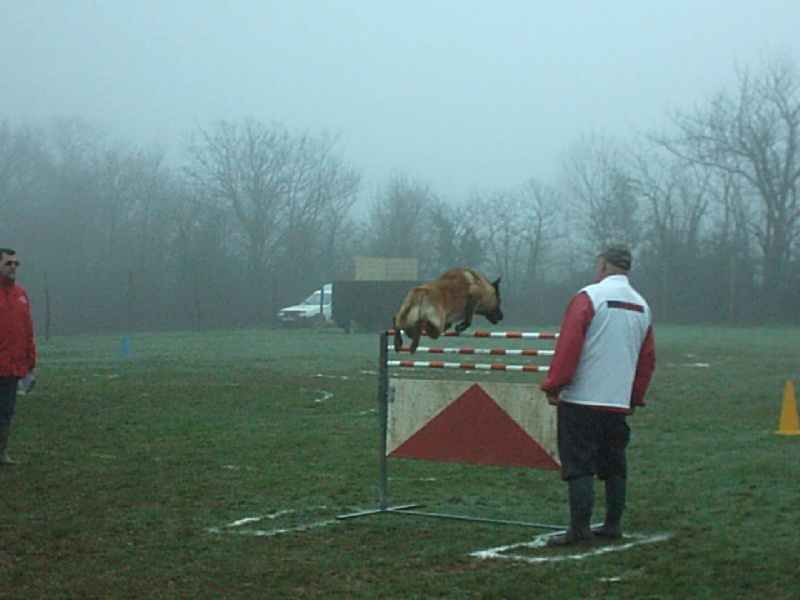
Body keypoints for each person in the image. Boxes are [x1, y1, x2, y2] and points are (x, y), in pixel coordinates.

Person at [540, 244, 656, 546]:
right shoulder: (643, 305)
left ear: (603, 266)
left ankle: (579, 529)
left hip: (582, 398)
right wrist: (634, 397)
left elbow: (569, 345)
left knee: (579, 465)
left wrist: (555, 385)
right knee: (614, 466)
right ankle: (612, 524)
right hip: (617, 401)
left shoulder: (589, 297)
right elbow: (647, 358)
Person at [0, 248, 36, 466]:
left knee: (6, 413)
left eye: (15, 263)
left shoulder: (21, 294)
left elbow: (27, 330)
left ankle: (1, 453)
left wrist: (31, 362)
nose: (13, 267)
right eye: (8, 263)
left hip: (12, 367)